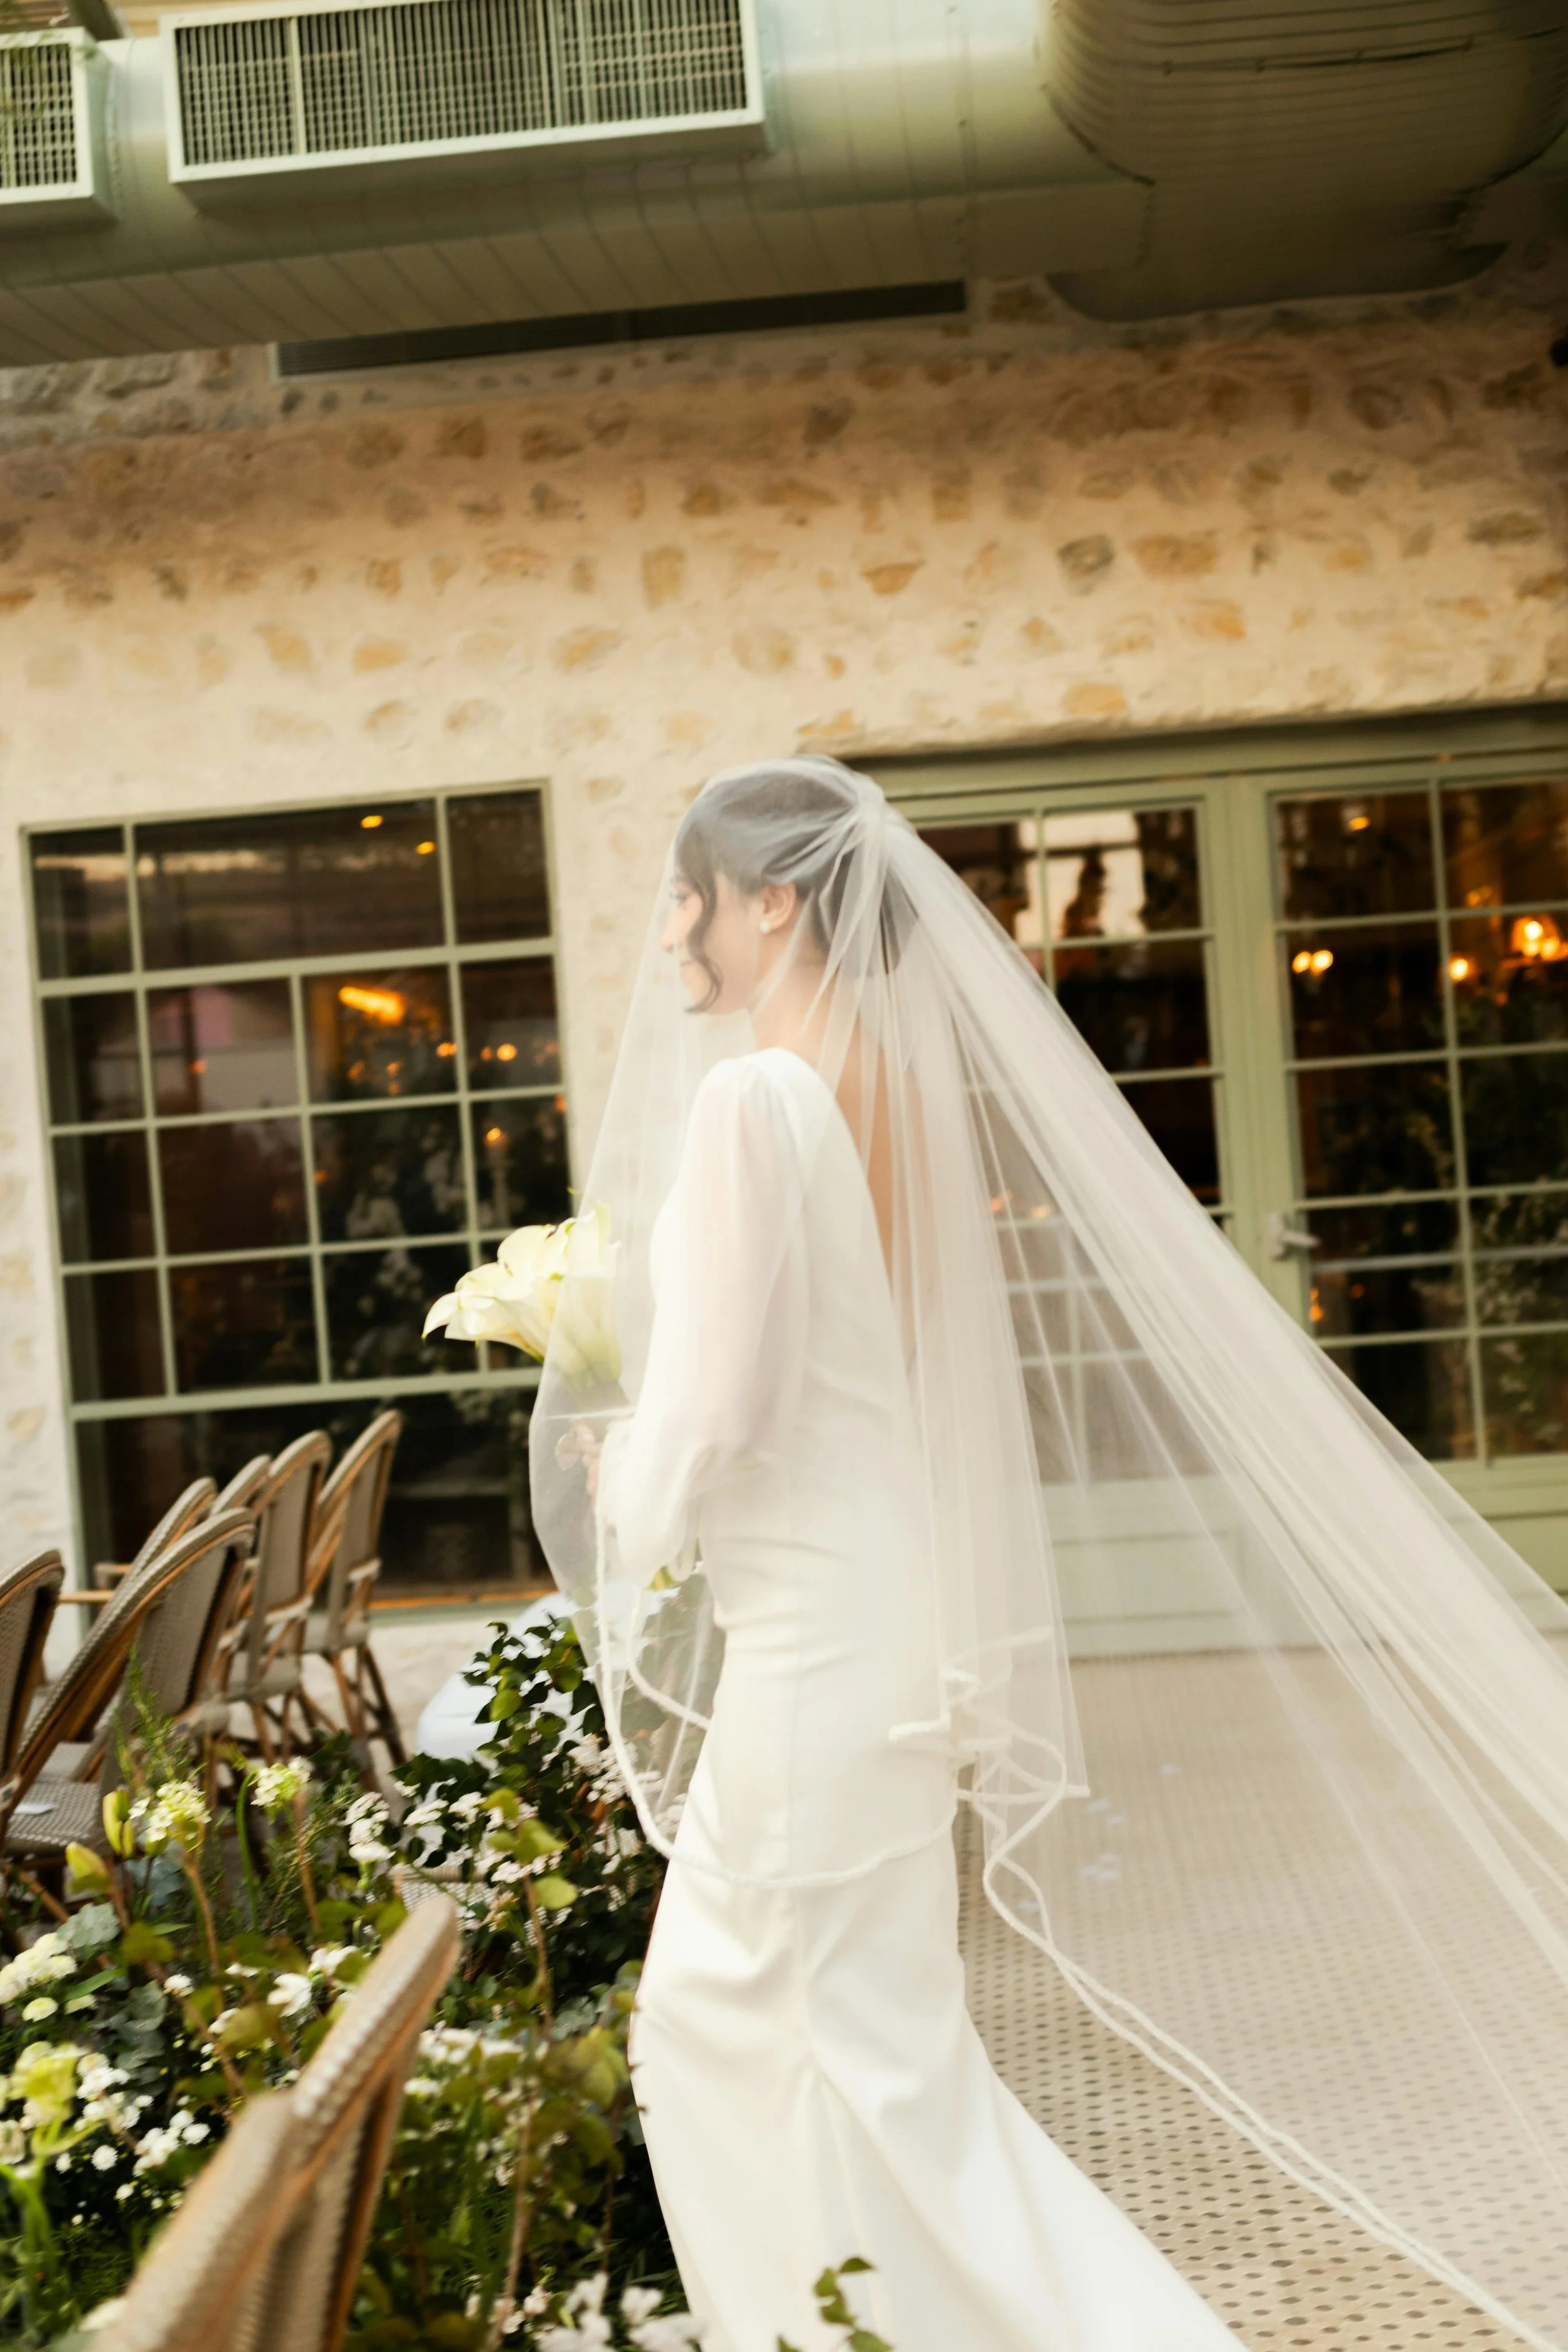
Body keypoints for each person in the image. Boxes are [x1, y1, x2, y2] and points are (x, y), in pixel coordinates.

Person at [532, 759, 1568, 2352]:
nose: (665, 928)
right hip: (875, 1630)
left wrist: (630, 1491)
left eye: (683, 892)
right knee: (880, 2055)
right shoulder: (876, 1081)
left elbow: (731, 1401)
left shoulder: (756, 1096)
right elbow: (850, 1382)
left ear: (769, 902)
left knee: (709, 2028)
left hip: (816, 1657)